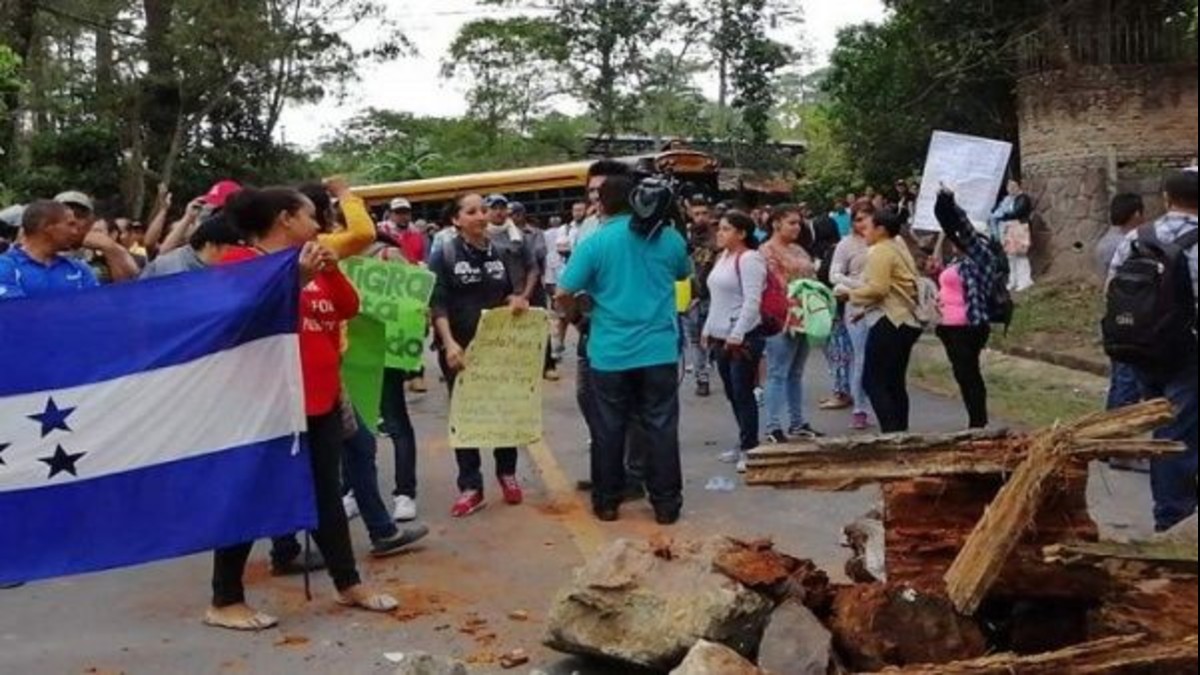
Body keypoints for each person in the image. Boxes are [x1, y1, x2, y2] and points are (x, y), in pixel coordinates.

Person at [208, 186, 396, 632]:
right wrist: (296, 278)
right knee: (251, 497)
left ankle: (348, 583)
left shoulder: (318, 259)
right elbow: (241, 322)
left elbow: (347, 308)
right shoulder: (237, 265)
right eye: (312, 216)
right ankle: (224, 599)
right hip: (266, 407)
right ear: (285, 219)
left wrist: (329, 272)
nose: (320, 224)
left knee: (327, 496)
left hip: (321, 400)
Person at [557, 171, 691, 525]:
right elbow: (683, 275)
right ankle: (666, 505)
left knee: (608, 428)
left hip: (610, 352)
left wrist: (577, 319)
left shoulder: (596, 243)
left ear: (606, 203)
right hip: (660, 350)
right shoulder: (669, 238)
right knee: (660, 427)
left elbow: (563, 291)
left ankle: (607, 502)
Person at [1108, 170, 1199, 532]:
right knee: (1178, 434)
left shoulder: (1135, 238)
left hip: (1143, 349)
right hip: (1190, 350)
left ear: (1165, 198)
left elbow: (1111, 291)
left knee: (1166, 428)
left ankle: (1172, 512)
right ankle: (1174, 519)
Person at [431, 193, 529, 519]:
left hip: (497, 351)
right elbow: (438, 303)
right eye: (471, 211)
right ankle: (470, 486)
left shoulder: (499, 252)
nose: (480, 216)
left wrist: (516, 301)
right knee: (465, 416)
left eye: (483, 210)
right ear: (456, 220)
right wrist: (449, 343)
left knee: (504, 410)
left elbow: (506, 295)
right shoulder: (443, 253)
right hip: (460, 349)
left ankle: (507, 472)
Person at [837, 208, 921, 434]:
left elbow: (879, 288)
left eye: (868, 228)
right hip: (905, 318)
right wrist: (864, 310)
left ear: (881, 230)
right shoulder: (898, 247)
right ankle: (900, 432)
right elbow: (895, 287)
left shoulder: (880, 251)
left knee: (873, 380)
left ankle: (891, 431)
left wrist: (850, 296)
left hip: (891, 320)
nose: (864, 233)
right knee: (894, 380)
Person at [702, 211, 768, 472]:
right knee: (732, 393)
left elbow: (752, 301)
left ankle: (750, 446)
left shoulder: (749, 259)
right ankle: (743, 440)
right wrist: (708, 328)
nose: (720, 233)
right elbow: (717, 298)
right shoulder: (723, 258)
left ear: (741, 234)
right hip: (720, 335)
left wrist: (738, 333)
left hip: (742, 338)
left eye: (727, 229)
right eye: (720, 229)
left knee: (743, 393)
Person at [933, 189, 1004, 430]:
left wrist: (950, 203)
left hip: (968, 326)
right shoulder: (958, 261)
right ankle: (975, 420)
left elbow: (964, 228)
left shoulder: (982, 257)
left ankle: (978, 422)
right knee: (963, 376)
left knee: (969, 374)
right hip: (950, 327)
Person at [760, 205, 822, 445]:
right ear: (776, 223)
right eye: (792, 223)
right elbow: (775, 283)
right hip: (780, 318)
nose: (797, 227)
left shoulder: (798, 249)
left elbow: (812, 278)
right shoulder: (766, 251)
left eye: (799, 223)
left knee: (796, 372)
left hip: (805, 316)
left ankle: (797, 421)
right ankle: (773, 425)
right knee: (777, 371)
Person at [1096, 194, 1147, 412]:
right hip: (1131, 316)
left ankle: (1110, 421)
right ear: (1136, 214)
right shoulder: (1129, 244)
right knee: (1127, 379)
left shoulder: (1104, 242)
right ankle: (1116, 426)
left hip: (1113, 315)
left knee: (1119, 376)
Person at [828, 200, 875, 431]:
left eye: (867, 217)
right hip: (857, 305)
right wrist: (857, 284)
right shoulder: (846, 244)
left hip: (884, 305)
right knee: (861, 357)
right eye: (858, 219)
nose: (863, 223)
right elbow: (834, 274)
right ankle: (860, 408)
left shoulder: (887, 241)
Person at [0, 200, 100, 299]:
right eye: (70, 224)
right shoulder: (5, 266)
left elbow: (95, 308)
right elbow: (15, 311)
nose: (75, 232)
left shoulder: (79, 269)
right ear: (46, 226)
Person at [55, 191, 140, 283]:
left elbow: (126, 290)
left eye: (79, 214)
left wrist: (109, 248)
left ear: (91, 220)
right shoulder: (43, 253)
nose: (72, 220)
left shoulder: (105, 249)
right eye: (63, 215)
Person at [684, 197, 719, 397]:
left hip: (714, 297)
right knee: (695, 340)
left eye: (704, 213)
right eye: (696, 214)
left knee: (715, 338)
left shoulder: (718, 239)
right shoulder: (684, 240)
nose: (701, 218)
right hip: (691, 297)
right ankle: (702, 378)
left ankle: (712, 364)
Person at [139, 213, 243, 279]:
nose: (230, 254)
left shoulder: (206, 269)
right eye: (228, 249)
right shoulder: (176, 272)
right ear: (211, 245)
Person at [545, 203, 584, 362]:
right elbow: (558, 252)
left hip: (586, 278)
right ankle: (558, 345)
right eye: (575, 210)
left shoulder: (592, 226)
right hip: (566, 275)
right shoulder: (565, 229)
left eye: (581, 209)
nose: (578, 213)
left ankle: (586, 340)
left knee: (586, 311)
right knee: (562, 314)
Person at [991, 179, 1035, 292]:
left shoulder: (1023, 198)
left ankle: (1025, 280)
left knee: (1020, 254)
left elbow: (1017, 211)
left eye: (1012, 187)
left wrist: (1004, 215)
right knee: (1011, 256)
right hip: (1009, 228)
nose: (1010, 189)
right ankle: (1013, 280)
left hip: (1020, 227)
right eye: (1008, 187)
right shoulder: (1010, 200)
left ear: (1017, 187)